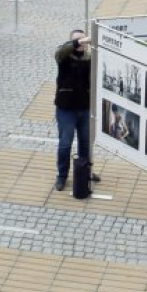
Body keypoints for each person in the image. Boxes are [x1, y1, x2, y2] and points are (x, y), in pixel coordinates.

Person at [53, 29, 100, 191]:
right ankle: (62, 176)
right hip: (66, 110)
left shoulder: (91, 58)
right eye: (78, 41)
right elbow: (60, 50)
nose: (82, 43)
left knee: (85, 144)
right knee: (65, 144)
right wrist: (78, 41)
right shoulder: (64, 57)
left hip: (85, 109)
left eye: (84, 40)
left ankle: (84, 172)